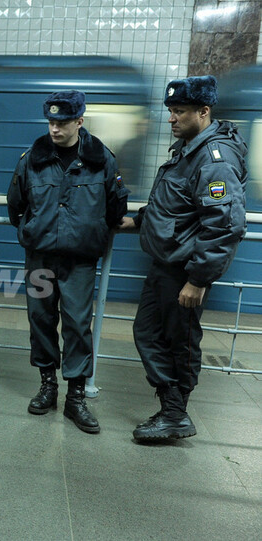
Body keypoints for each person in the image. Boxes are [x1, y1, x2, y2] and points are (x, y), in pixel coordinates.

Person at [118, 75, 247, 442]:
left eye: (179, 111)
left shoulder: (214, 159)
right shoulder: (188, 149)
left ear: (203, 112)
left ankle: (175, 414)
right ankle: (170, 406)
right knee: (147, 332)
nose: (171, 118)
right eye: (171, 111)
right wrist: (137, 220)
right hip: (165, 265)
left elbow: (225, 224)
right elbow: (175, 204)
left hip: (185, 271)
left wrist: (198, 279)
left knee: (180, 341)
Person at [7, 91, 128, 434]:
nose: (54, 129)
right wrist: (35, 228)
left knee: (77, 324)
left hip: (80, 259)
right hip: (40, 256)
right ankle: (48, 385)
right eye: (51, 122)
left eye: (61, 123)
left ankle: (76, 397)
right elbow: (15, 204)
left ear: (79, 121)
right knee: (41, 320)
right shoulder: (32, 159)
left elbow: (116, 206)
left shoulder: (101, 160)